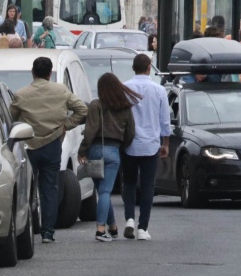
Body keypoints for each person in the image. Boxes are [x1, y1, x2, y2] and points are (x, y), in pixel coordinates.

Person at [10, 57, 88, 243]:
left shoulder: (21, 94)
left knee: (25, 187)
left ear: (32, 72)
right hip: (53, 143)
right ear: (49, 72)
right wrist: (66, 125)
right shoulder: (61, 90)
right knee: (50, 188)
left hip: (28, 144)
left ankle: (27, 227)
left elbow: (10, 120)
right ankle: (47, 232)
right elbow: (82, 110)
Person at [78, 73, 139, 241]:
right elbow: (131, 133)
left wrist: (82, 150)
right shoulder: (125, 107)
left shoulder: (96, 105)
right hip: (114, 150)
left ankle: (112, 227)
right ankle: (100, 229)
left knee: (102, 191)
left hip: (95, 150)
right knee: (106, 191)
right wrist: (121, 147)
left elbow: (90, 130)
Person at [121, 54, 170, 241]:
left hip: (129, 143)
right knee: (148, 185)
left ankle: (129, 219)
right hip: (150, 143)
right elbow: (165, 120)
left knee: (130, 182)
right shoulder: (158, 90)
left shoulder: (125, 88)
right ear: (149, 68)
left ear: (133, 68)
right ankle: (143, 227)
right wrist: (165, 143)